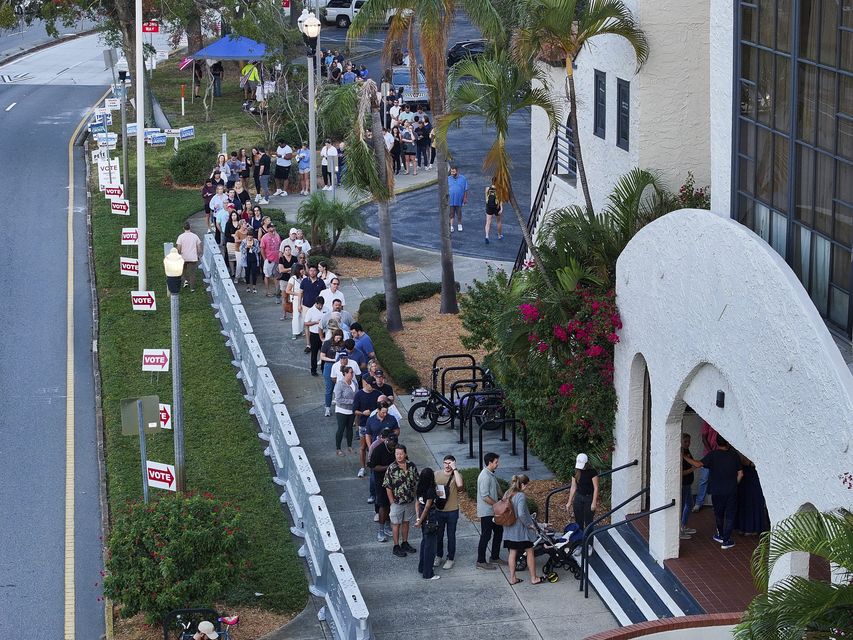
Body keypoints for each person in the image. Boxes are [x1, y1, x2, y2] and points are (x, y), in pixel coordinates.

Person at [700, 435, 743, 549]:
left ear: (716, 442)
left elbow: (699, 464)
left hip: (716, 490)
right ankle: (726, 540)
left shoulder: (712, 455)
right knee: (730, 515)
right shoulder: (734, 455)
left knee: (718, 514)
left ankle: (720, 535)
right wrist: (734, 483)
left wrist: (685, 457)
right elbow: (741, 474)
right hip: (731, 490)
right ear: (728, 443)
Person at [503, 474, 546, 585]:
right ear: (522, 484)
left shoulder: (507, 493)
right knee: (530, 552)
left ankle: (512, 578)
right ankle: (534, 578)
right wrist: (529, 525)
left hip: (509, 529)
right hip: (521, 531)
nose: (527, 487)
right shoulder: (520, 496)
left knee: (512, 553)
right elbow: (521, 514)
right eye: (526, 485)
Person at [384, 443, 419, 558]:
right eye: (396, 454)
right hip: (397, 502)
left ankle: (405, 542)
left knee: (406, 522)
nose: (398, 456)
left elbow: (416, 481)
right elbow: (388, 486)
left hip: (409, 501)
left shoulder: (412, 466)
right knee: (395, 524)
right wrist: (391, 502)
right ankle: (396, 545)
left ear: (405, 454)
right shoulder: (391, 468)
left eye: (400, 454)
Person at [433, 454, 463, 571]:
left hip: (452, 511)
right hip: (439, 510)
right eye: (446, 463)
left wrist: (455, 469)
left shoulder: (456, 475)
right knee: (438, 535)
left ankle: (450, 558)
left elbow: (460, 486)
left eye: (450, 463)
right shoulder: (437, 474)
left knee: (451, 536)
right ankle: (438, 555)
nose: (447, 465)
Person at [476, 452, 505, 569]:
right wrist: (498, 504)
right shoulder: (485, 476)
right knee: (486, 536)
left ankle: (494, 557)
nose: (498, 464)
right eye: (496, 462)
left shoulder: (491, 474)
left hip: (494, 511)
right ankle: (481, 561)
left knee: (498, 533)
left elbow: (498, 490)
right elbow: (485, 496)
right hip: (487, 512)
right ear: (490, 463)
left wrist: (505, 500)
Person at [566, 453, 599, 552]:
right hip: (578, 498)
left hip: (589, 498)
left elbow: (596, 488)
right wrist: (569, 501)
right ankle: (579, 544)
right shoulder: (575, 472)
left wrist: (594, 502)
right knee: (578, 522)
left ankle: (589, 545)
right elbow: (573, 487)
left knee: (588, 523)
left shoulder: (592, 472)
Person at [368, 429, 397, 542]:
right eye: (391, 445)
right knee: (383, 505)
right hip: (381, 481)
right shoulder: (378, 449)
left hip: (394, 482)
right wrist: (388, 467)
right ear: (387, 441)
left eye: (394, 445)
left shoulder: (396, 448)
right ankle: (380, 530)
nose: (393, 447)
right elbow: (373, 466)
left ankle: (387, 525)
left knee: (391, 504)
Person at [415, 467, 441, 580]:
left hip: (422, 520)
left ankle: (422, 567)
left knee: (424, 543)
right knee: (430, 547)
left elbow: (417, 504)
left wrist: (418, 519)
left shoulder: (419, 488)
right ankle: (428, 573)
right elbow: (427, 508)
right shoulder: (430, 490)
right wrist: (420, 521)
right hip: (430, 521)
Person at [734, 455, 769, 536]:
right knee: (749, 501)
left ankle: (745, 528)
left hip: (751, 476)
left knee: (749, 501)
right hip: (749, 476)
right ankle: (750, 528)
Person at [333, 365, 359, 456]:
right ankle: (338, 448)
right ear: (345, 373)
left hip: (351, 411)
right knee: (341, 428)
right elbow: (338, 399)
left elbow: (357, 394)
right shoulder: (339, 384)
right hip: (342, 410)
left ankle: (349, 446)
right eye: (351, 372)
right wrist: (352, 401)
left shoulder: (354, 383)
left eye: (353, 372)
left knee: (349, 429)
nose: (352, 374)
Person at [300, 265, 326, 351]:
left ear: (317, 272)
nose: (312, 272)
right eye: (310, 270)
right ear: (309, 271)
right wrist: (298, 305)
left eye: (314, 270)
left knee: (319, 325)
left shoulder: (321, 282)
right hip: (306, 306)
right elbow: (301, 293)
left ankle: (320, 343)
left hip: (317, 307)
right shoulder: (304, 281)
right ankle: (308, 345)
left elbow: (324, 295)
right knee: (307, 325)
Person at [693, 421, 718, 512]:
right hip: (708, 454)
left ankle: (716, 504)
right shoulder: (707, 420)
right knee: (704, 479)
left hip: (720, 454)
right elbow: (704, 438)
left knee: (718, 479)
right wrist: (711, 453)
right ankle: (698, 503)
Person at [681, 434, 702, 540]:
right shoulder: (681, 454)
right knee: (684, 505)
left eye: (689, 441)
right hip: (683, 484)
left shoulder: (687, 452)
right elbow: (681, 473)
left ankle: (683, 526)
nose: (688, 443)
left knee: (689, 504)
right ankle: (680, 528)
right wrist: (693, 468)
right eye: (685, 442)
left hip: (688, 483)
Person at [320, 329, 345, 416]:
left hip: (340, 367)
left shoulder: (343, 344)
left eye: (340, 338)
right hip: (329, 365)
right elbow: (322, 356)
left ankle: (339, 406)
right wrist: (332, 360)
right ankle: (327, 407)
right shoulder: (327, 343)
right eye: (337, 338)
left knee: (340, 388)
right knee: (329, 388)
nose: (338, 340)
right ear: (333, 336)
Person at [176, 222, 202, 292]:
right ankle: (192, 288)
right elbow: (199, 248)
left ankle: (185, 281)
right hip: (193, 257)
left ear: (183, 228)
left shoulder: (180, 237)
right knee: (192, 273)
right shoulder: (195, 236)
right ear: (190, 227)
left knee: (183, 270)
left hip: (183, 257)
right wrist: (198, 254)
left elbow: (178, 248)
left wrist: (179, 254)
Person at [304, 296, 326, 376]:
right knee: (314, 353)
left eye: (322, 305)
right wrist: (315, 322)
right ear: (316, 303)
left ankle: (323, 369)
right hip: (314, 334)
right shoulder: (311, 311)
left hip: (324, 334)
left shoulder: (325, 309)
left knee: (323, 352)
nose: (321, 307)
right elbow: (306, 323)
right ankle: (313, 370)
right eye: (319, 305)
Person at [260, 222, 281, 297]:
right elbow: (262, 248)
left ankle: (277, 291)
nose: (273, 229)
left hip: (277, 260)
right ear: (268, 229)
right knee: (267, 275)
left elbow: (279, 246)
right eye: (271, 227)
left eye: (274, 227)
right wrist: (265, 259)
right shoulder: (264, 237)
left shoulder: (277, 235)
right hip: (269, 260)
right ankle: (267, 291)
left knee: (276, 276)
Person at [278, 245, 298, 319]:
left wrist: (288, 269)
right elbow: (281, 270)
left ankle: (293, 313)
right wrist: (290, 269)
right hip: (284, 279)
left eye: (289, 250)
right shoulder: (281, 259)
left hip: (293, 279)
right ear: (284, 251)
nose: (288, 251)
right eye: (286, 250)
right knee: (284, 297)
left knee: (293, 297)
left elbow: (296, 269)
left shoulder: (294, 258)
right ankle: (284, 314)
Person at [285, 264, 305, 339]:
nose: (303, 270)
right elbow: (287, 290)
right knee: (296, 315)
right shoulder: (292, 279)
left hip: (304, 298)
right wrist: (298, 294)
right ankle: (295, 332)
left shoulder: (304, 278)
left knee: (303, 315)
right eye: (301, 269)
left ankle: (301, 330)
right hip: (296, 299)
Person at [240, 229, 261, 293]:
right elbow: (241, 250)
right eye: (248, 237)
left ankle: (254, 287)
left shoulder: (256, 241)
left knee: (254, 273)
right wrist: (246, 247)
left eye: (251, 237)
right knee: (247, 273)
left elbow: (258, 250)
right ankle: (248, 286)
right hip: (247, 259)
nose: (249, 238)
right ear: (246, 237)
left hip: (254, 259)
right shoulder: (244, 242)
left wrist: (252, 247)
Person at [448, 165, 469, 232]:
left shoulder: (463, 178)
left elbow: (465, 189)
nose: (452, 173)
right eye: (451, 171)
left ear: (457, 171)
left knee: (459, 212)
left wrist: (465, 198)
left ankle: (459, 224)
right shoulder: (448, 178)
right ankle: (451, 226)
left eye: (453, 171)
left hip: (459, 199)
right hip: (450, 199)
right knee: (451, 213)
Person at [484, 176, 503, 243]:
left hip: (489, 207)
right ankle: (499, 235)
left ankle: (487, 236)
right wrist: (501, 208)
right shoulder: (499, 190)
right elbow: (500, 200)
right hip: (496, 207)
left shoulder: (487, 189)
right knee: (498, 221)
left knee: (488, 222)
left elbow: (486, 198)